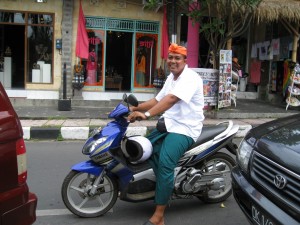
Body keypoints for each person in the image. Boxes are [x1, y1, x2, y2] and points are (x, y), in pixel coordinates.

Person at [128, 43, 205, 225]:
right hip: (169, 124)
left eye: (177, 58)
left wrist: (145, 115)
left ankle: (159, 216)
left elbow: (171, 99)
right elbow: (158, 99)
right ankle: (166, 185)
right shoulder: (172, 77)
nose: (173, 61)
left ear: (185, 61)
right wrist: (134, 107)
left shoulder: (190, 78)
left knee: (165, 163)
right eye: (170, 57)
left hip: (185, 128)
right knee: (144, 150)